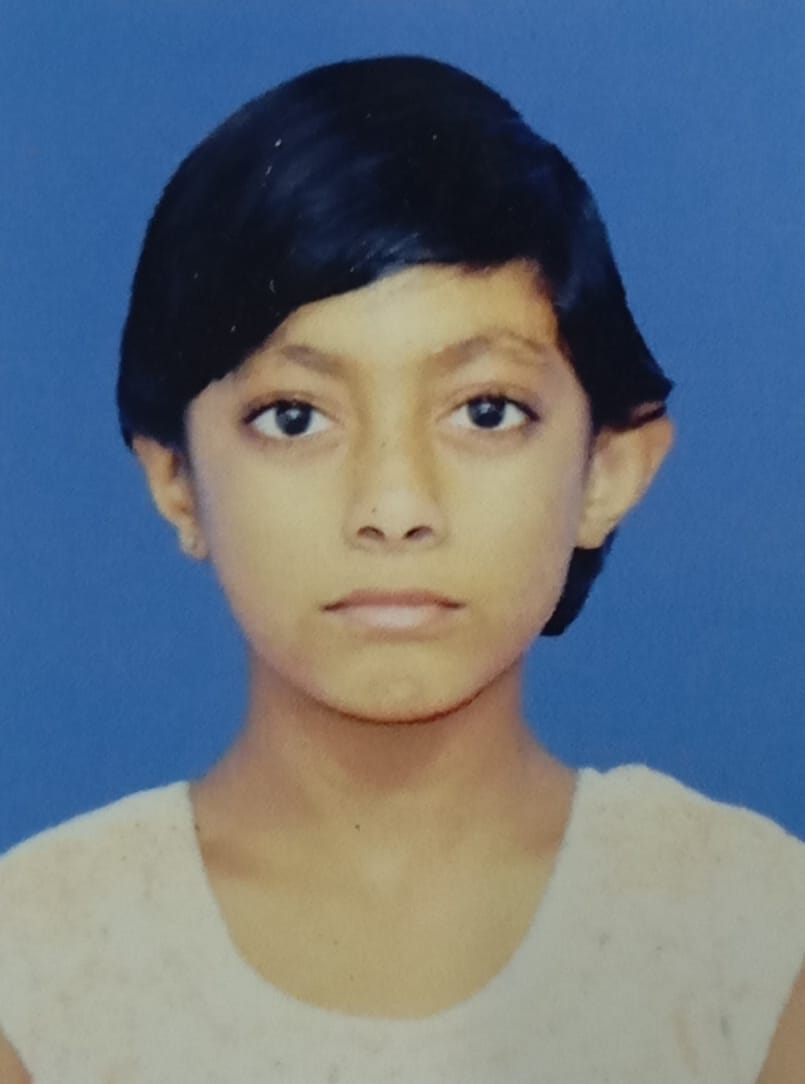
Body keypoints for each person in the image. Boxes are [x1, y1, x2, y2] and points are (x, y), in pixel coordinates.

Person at [0, 55, 803, 1083]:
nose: (392, 507)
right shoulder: (39, 964)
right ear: (176, 481)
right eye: (295, 418)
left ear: (606, 470)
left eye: (485, 411)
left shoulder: (753, 945)